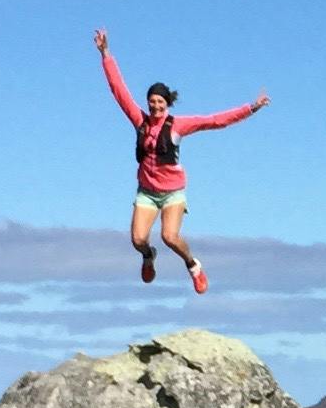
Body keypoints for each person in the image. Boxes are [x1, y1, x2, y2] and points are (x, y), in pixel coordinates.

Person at [95, 28, 266, 291]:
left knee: (170, 236)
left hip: (173, 192)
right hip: (147, 192)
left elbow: (215, 121)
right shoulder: (139, 121)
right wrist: (106, 53)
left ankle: (193, 265)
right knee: (138, 239)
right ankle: (148, 256)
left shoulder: (178, 125)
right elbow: (118, 90)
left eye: (160, 101)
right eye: (152, 101)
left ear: (167, 103)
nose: (155, 106)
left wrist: (250, 108)